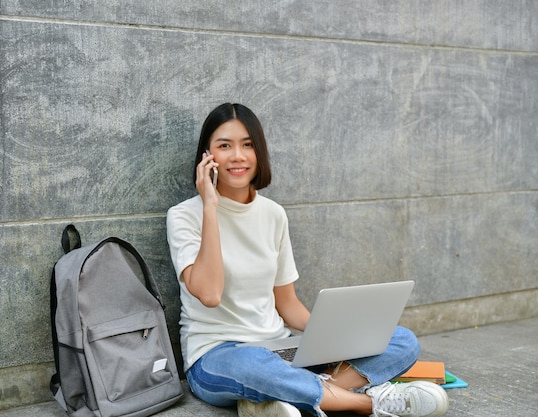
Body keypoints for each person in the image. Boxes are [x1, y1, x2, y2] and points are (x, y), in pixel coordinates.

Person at [166, 103, 449, 417]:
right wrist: (210, 207)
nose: (238, 156)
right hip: (218, 357)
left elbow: (286, 304)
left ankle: (281, 399)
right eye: (224, 146)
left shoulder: (273, 214)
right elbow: (209, 293)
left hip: (279, 348)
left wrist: (332, 339)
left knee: (400, 340)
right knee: (254, 367)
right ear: (207, 156)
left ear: (259, 151)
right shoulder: (184, 216)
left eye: (247, 144)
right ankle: (366, 403)